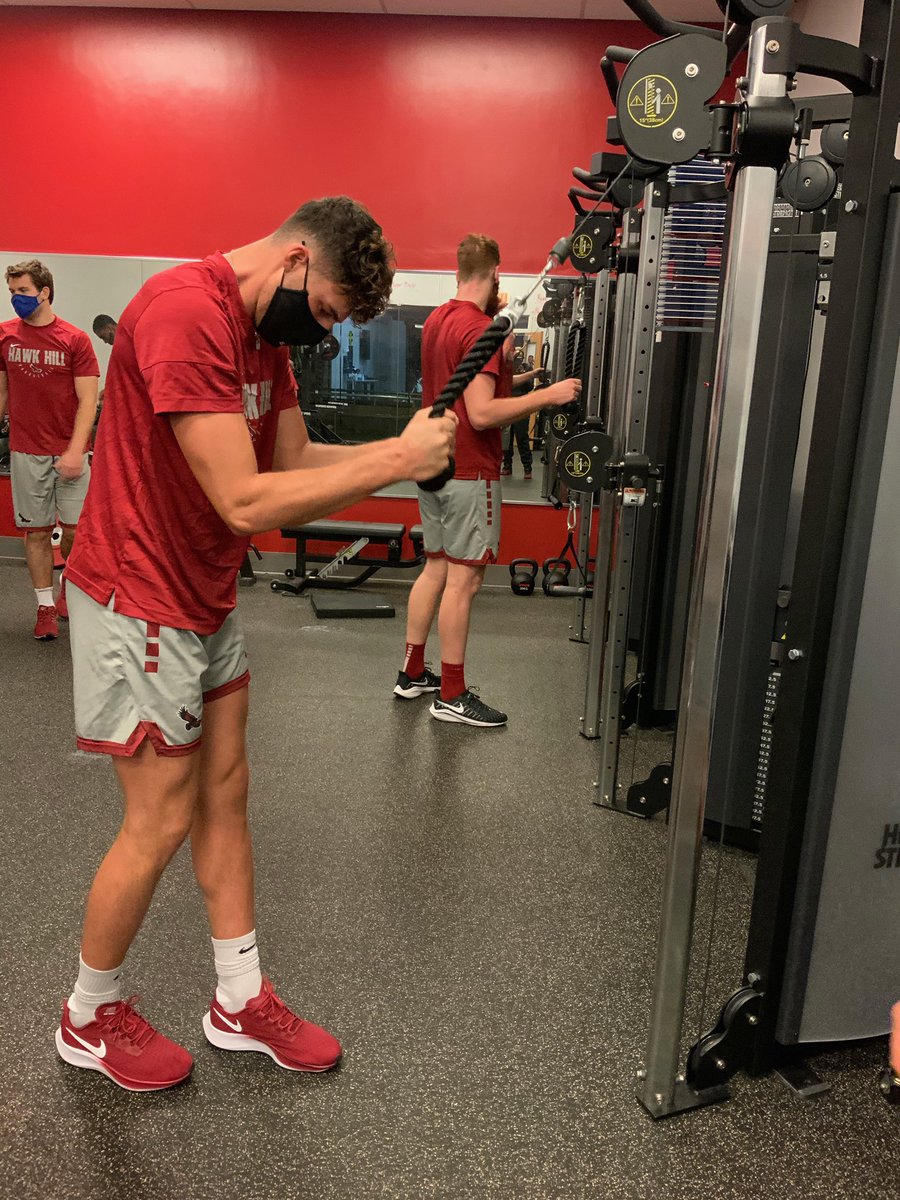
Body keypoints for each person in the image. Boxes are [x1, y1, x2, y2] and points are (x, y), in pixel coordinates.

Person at [55, 196, 456, 1093]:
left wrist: (400, 445)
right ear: (295, 259)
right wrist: (394, 464)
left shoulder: (265, 344)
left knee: (228, 793)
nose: (315, 334)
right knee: (158, 819)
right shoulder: (183, 313)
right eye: (320, 312)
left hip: (204, 591)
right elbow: (245, 501)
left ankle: (239, 998)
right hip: (139, 593)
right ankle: (88, 1013)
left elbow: (293, 461)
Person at [393, 233, 581, 728]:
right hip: (471, 470)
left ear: (458, 272)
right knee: (464, 581)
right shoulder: (480, 329)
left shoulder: (437, 320)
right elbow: (479, 413)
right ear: (496, 273)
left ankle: (412, 674)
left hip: (436, 469)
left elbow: (464, 387)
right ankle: (452, 694)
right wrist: (550, 396)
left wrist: (522, 380)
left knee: (434, 568)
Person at [0, 260, 100, 639]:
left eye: (23, 291)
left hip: (69, 451)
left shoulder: (74, 339)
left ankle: (66, 589)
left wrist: (75, 451)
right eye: (12, 292)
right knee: (38, 533)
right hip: (26, 451)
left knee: (76, 532)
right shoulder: (5, 337)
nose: (16, 299)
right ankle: (44, 606)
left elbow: (88, 400)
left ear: (44, 291)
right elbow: (2, 391)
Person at [500, 347, 544, 480]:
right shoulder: (506, 368)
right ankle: (507, 466)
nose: (518, 355)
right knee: (506, 439)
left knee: (522, 438)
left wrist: (522, 377)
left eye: (520, 354)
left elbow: (530, 386)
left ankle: (527, 468)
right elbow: (504, 384)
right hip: (507, 405)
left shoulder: (526, 368)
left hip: (521, 406)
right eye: (516, 353)